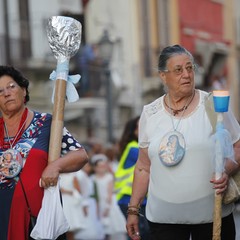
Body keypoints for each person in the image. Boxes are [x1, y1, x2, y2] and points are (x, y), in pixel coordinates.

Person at [126, 45, 240, 240]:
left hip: (212, 218)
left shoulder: (214, 105)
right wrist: (133, 209)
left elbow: (237, 147)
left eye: (190, 68)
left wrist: (226, 169)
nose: (186, 74)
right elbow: (143, 167)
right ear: (163, 76)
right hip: (163, 220)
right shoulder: (150, 113)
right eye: (178, 70)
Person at [0, 65, 89, 240]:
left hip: (40, 218)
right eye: (0, 91)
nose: (6, 93)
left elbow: (80, 155)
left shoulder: (47, 123)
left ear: (24, 90)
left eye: (11, 86)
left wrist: (55, 166)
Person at [114, 116, 149, 239]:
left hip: (137, 199)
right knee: (140, 234)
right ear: (134, 130)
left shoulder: (133, 147)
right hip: (130, 198)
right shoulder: (134, 148)